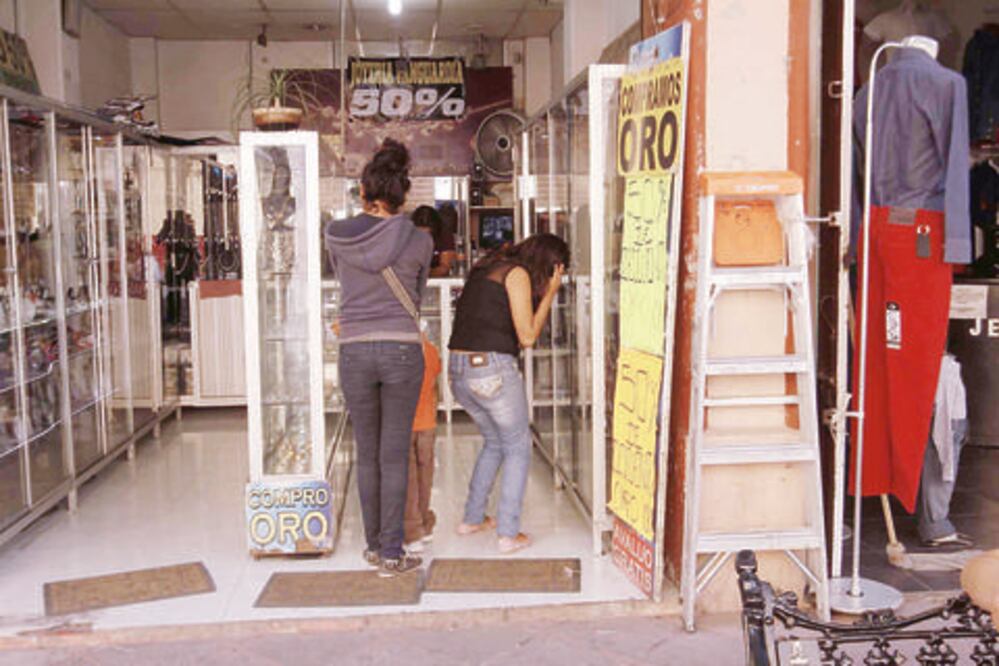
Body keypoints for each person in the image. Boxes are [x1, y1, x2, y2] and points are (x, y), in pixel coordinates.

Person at [325, 139, 433, 577]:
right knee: (394, 453)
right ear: (403, 194)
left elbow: (343, 281)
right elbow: (418, 295)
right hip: (402, 350)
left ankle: (373, 546)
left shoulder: (335, 235)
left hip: (353, 351)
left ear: (363, 192)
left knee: (365, 452)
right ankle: (393, 553)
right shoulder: (419, 240)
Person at [448, 233, 569, 554]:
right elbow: (527, 336)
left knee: (495, 442)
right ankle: (508, 533)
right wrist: (550, 294)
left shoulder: (487, 266)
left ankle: (472, 519)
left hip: (459, 370)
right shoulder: (516, 275)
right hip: (491, 371)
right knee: (518, 446)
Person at [404, 331, 442, 553]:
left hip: (404, 423)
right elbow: (435, 374)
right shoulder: (430, 349)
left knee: (407, 480)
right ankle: (425, 524)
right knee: (424, 476)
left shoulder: (398, 352)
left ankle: (412, 532)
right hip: (427, 422)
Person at [412, 204, 457, 277]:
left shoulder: (444, 235)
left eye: (427, 235)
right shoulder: (407, 235)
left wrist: (425, 273)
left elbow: (444, 269)